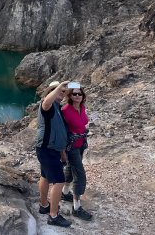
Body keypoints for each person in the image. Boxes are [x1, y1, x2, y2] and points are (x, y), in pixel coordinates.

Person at [35, 80, 72, 228]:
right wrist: (58, 86)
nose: (62, 93)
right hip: (46, 149)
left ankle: (44, 205)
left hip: (52, 150)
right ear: (51, 90)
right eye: (58, 91)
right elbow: (46, 102)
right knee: (59, 181)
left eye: (64, 91)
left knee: (44, 176)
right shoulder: (47, 104)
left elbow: (60, 131)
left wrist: (62, 153)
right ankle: (53, 215)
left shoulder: (58, 107)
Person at [61, 84, 93, 221]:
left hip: (80, 144)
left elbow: (83, 122)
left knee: (70, 168)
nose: (77, 96)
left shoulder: (82, 107)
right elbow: (61, 130)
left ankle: (65, 192)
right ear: (70, 96)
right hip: (71, 147)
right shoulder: (65, 110)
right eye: (74, 94)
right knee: (79, 174)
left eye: (79, 94)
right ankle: (76, 208)